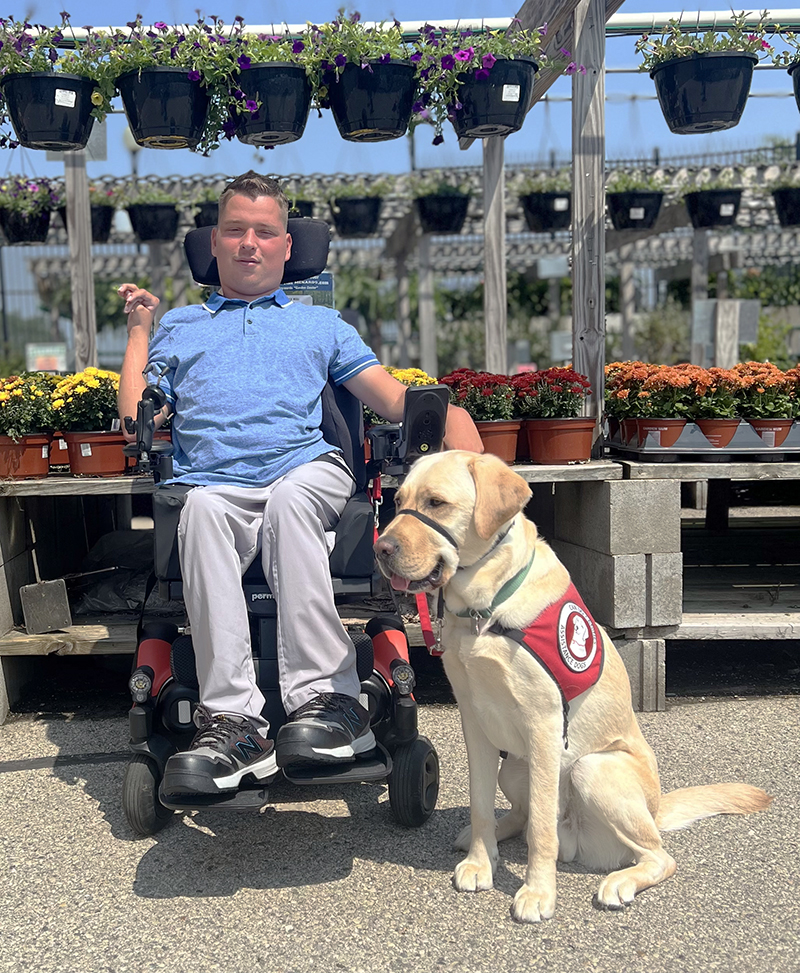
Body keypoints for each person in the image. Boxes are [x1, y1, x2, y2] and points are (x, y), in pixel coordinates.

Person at [118, 170, 482, 795]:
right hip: (214, 481)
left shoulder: (322, 326)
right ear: (214, 242)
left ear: (288, 247)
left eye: (264, 232)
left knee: (289, 501)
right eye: (235, 230)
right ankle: (234, 723)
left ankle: (330, 704)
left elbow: (394, 402)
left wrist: (466, 439)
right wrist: (139, 330)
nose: (249, 243)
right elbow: (134, 416)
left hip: (306, 470)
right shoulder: (181, 326)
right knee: (200, 511)